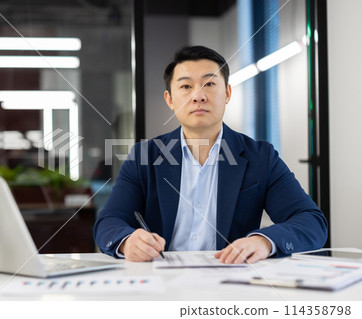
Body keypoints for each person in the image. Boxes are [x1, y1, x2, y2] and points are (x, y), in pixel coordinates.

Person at [93, 45, 327, 264]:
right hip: (161, 280)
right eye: (186, 86)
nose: (198, 96)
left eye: (209, 84)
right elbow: (109, 222)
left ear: (227, 93)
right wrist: (127, 242)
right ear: (170, 100)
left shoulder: (260, 157)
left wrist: (264, 241)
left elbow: (311, 222)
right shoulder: (145, 156)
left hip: (231, 279)